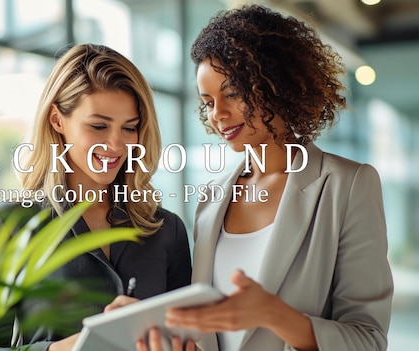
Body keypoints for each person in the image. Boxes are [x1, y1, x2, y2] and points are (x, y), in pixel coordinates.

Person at [137, 4, 393, 351]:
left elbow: (368, 339)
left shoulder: (347, 185)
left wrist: (274, 314)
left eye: (231, 94)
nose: (218, 115)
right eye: (208, 101)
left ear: (276, 84)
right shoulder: (211, 198)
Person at [0, 43, 192, 351]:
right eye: (98, 126)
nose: (116, 144)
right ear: (58, 120)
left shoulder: (167, 230)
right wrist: (63, 348)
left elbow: (189, 337)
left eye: (130, 128)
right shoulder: (10, 223)